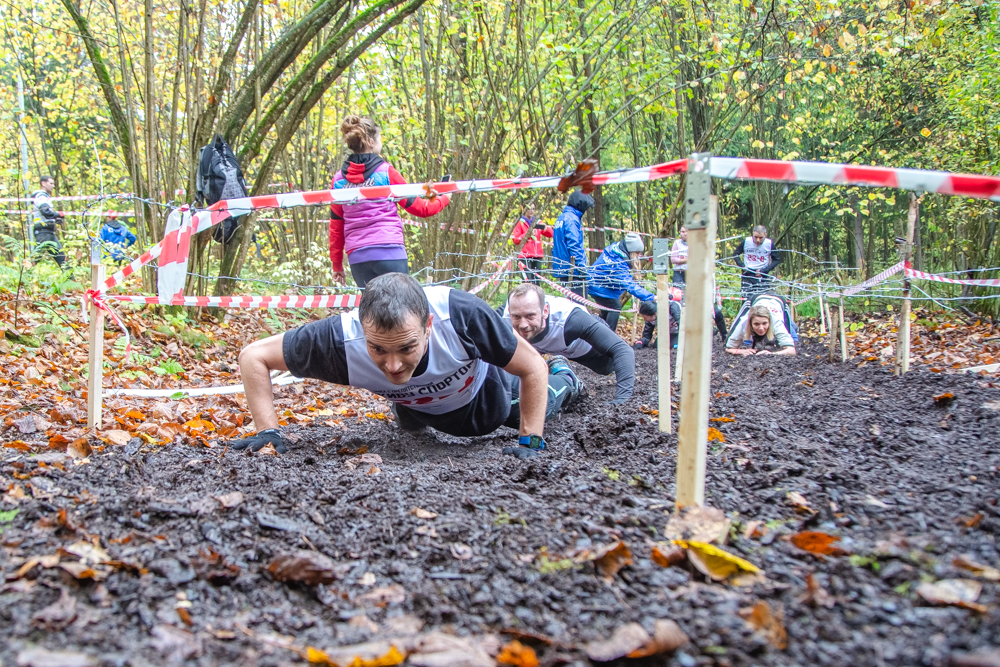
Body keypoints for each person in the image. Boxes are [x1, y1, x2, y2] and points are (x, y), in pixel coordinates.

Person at [233, 273, 583, 460]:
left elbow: (531, 366)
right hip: (415, 408)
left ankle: (565, 376)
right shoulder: (337, 341)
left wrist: (532, 441)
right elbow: (253, 356)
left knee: (530, 409)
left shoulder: (461, 315)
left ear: (429, 325)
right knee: (407, 412)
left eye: (407, 346)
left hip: (484, 402)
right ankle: (409, 406)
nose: (394, 364)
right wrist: (268, 431)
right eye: (377, 349)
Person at [329, 116, 451, 288]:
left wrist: (337, 264)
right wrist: (444, 197)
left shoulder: (338, 180)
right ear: (371, 141)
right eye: (379, 138)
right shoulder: (386, 172)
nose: (381, 143)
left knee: (372, 313)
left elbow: (336, 226)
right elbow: (422, 208)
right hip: (389, 251)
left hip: (357, 257)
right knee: (402, 309)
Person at [503, 283, 634, 404]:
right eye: (516, 317)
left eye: (530, 316)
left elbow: (622, 350)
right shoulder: (503, 319)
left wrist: (622, 400)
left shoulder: (572, 320)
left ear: (545, 311)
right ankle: (561, 370)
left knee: (606, 368)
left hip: (585, 347)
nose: (523, 324)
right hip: (541, 346)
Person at [587, 232, 655, 331]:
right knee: (614, 306)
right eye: (637, 253)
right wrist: (651, 297)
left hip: (600, 285)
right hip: (598, 287)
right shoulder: (618, 263)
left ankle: (596, 335)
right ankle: (609, 337)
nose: (639, 256)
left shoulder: (616, 249)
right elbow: (629, 285)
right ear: (632, 251)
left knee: (606, 310)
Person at [551, 191, 594, 297]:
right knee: (578, 305)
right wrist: (581, 267)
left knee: (569, 301)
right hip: (573, 270)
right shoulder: (571, 220)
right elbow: (574, 245)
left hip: (563, 267)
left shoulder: (562, 217)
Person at [725, 293, 797, 356]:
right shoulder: (744, 321)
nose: (761, 328)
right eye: (756, 324)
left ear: (769, 322)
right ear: (750, 323)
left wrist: (772, 354)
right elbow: (728, 348)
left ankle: (795, 327)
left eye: (764, 323)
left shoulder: (776, 322)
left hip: (778, 301)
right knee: (730, 335)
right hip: (756, 299)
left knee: (790, 336)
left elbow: (792, 350)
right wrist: (741, 351)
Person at [734, 225, 781, 298]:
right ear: (753, 234)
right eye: (755, 237)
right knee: (747, 300)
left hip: (762, 275)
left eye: (761, 238)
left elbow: (776, 259)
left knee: (762, 299)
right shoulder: (746, 241)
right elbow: (735, 254)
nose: (758, 240)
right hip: (747, 275)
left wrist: (765, 270)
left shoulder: (769, 244)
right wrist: (742, 266)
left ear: (765, 235)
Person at [31, 175, 66, 268]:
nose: (53, 186)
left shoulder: (45, 197)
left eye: (53, 183)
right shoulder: (41, 196)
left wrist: (55, 219)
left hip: (49, 232)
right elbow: (46, 212)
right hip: (43, 232)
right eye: (51, 183)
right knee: (35, 259)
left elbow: (47, 214)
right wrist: (58, 214)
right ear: (43, 183)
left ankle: (71, 280)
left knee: (62, 258)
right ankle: (24, 278)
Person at [510, 206, 552, 285]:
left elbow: (551, 234)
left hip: (537, 255)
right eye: (529, 209)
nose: (531, 211)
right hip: (525, 256)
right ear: (524, 209)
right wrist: (527, 234)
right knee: (527, 281)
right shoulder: (520, 222)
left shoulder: (538, 222)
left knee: (537, 281)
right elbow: (515, 240)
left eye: (533, 209)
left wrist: (546, 228)